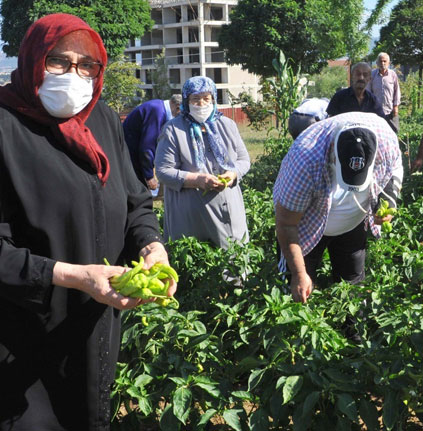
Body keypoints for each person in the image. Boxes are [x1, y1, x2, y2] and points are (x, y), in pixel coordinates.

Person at [0, 13, 176, 431]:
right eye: (58, 61)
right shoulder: (6, 127)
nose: (73, 75)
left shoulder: (101, 122)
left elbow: (135, 202)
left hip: (92, 328)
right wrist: (76, 277)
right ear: (32, 59)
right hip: (21, 337)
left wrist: (152, 245)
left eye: (87, 65)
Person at [273, 112, 403, 304]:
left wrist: (388, 200)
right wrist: (298, 273)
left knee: (353, 289)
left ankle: (353, 332)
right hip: (306, 226)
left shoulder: (385, 140)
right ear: (333, 151)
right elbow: (286, 224)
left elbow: (395, 169)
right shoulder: (305, 159)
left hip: (354, 222)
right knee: (297, 293)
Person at [155, 76, 251, 250]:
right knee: (196, 262)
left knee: (232, 262)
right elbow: (163, 171)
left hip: (228, 208)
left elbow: (244, 160)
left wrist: (233, 173)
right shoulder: (173, 129)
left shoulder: (227, 125)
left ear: (213, 99)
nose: (201, 104)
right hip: (190, 216)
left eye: (207, 99)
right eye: (195, 99)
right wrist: (197, 180)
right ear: (186, 101)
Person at [122, 95, 182, 190]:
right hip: (130, 156)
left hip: (131, 154)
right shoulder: (157, 111)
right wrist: (149, 176)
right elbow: (147, 147)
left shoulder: (159, 107)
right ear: (178, 107)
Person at [367, 52, 401, 133]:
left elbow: (397, 91)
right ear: (377, 63)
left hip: (390, 111)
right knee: (376, 133)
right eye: (380, 61)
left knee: (393, 132)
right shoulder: (372, 75)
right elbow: (368, 92)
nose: (382, 63)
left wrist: (396, 106)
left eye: (385, 61)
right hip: (376, 112)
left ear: (388, 63)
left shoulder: (393, 75)